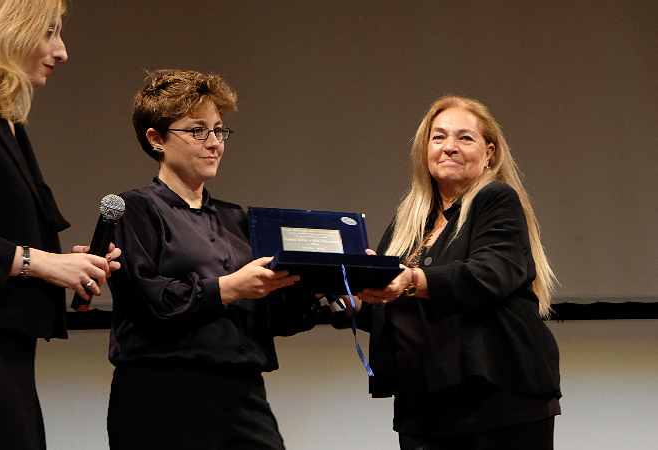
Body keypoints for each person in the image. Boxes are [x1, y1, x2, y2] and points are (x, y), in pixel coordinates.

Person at [107, 69, 326, 450]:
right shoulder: (135, 209)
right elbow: (150, 302)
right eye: (197, 131)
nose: (214, 143)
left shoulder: (236, 219)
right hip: (162, 397)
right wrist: (229, 287)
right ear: (156, 139)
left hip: (242, 396)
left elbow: (272, 318)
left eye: (219, 130)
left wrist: (320, 285)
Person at [347, 96, 561, 450]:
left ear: (489, 152)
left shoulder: (495, 199)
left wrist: (411, 280)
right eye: (438, 137)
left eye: (465, 138)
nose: (449, 147)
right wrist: (349, 293)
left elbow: (489, 274)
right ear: (425, 149)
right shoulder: (409, 219)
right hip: (422, 409)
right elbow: (388, 305)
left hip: (496, 403)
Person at [0, 1, 121, 449]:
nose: (61, 51)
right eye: (48, 32)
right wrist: (41, 263)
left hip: (8, 346)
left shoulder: (6, 120)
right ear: (9, 29)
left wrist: (67, 266)